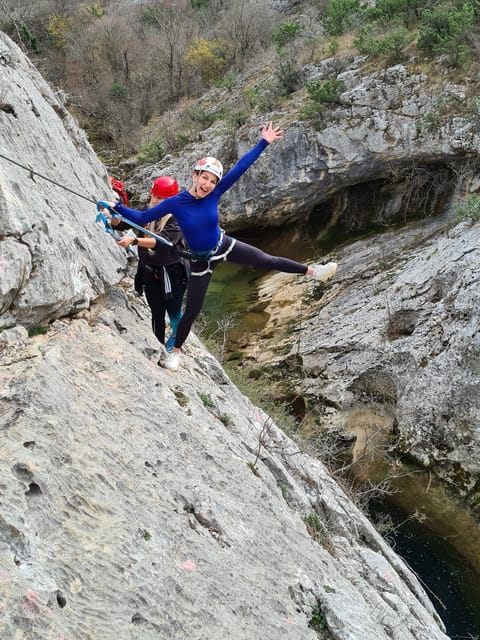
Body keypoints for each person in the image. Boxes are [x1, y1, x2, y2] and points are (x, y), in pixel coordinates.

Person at [108, 122, 337, 371]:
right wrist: (117, 207)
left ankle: (315, 272)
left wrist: (264, 142)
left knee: (265, 259)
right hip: (199, 260)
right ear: (195, 176)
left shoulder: (215, 194)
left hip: (223, 245)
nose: (208, 184)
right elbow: (141, 219)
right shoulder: (175, 203)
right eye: (204, 178)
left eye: (213, 181)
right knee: (193, 308)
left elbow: (241, 167)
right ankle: (174, 353)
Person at [110, 176, 188, 360]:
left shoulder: (178, 218)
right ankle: (158, 345)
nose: (157, 202)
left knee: (173, 310)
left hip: (173, 273)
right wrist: (113, 216)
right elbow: (125, 222)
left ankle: (177, 333)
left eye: (162, 199)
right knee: (156, 312)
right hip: (150, 271)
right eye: (155, 197)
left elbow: (162, 242)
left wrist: (135, 240)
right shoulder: (147, 211)